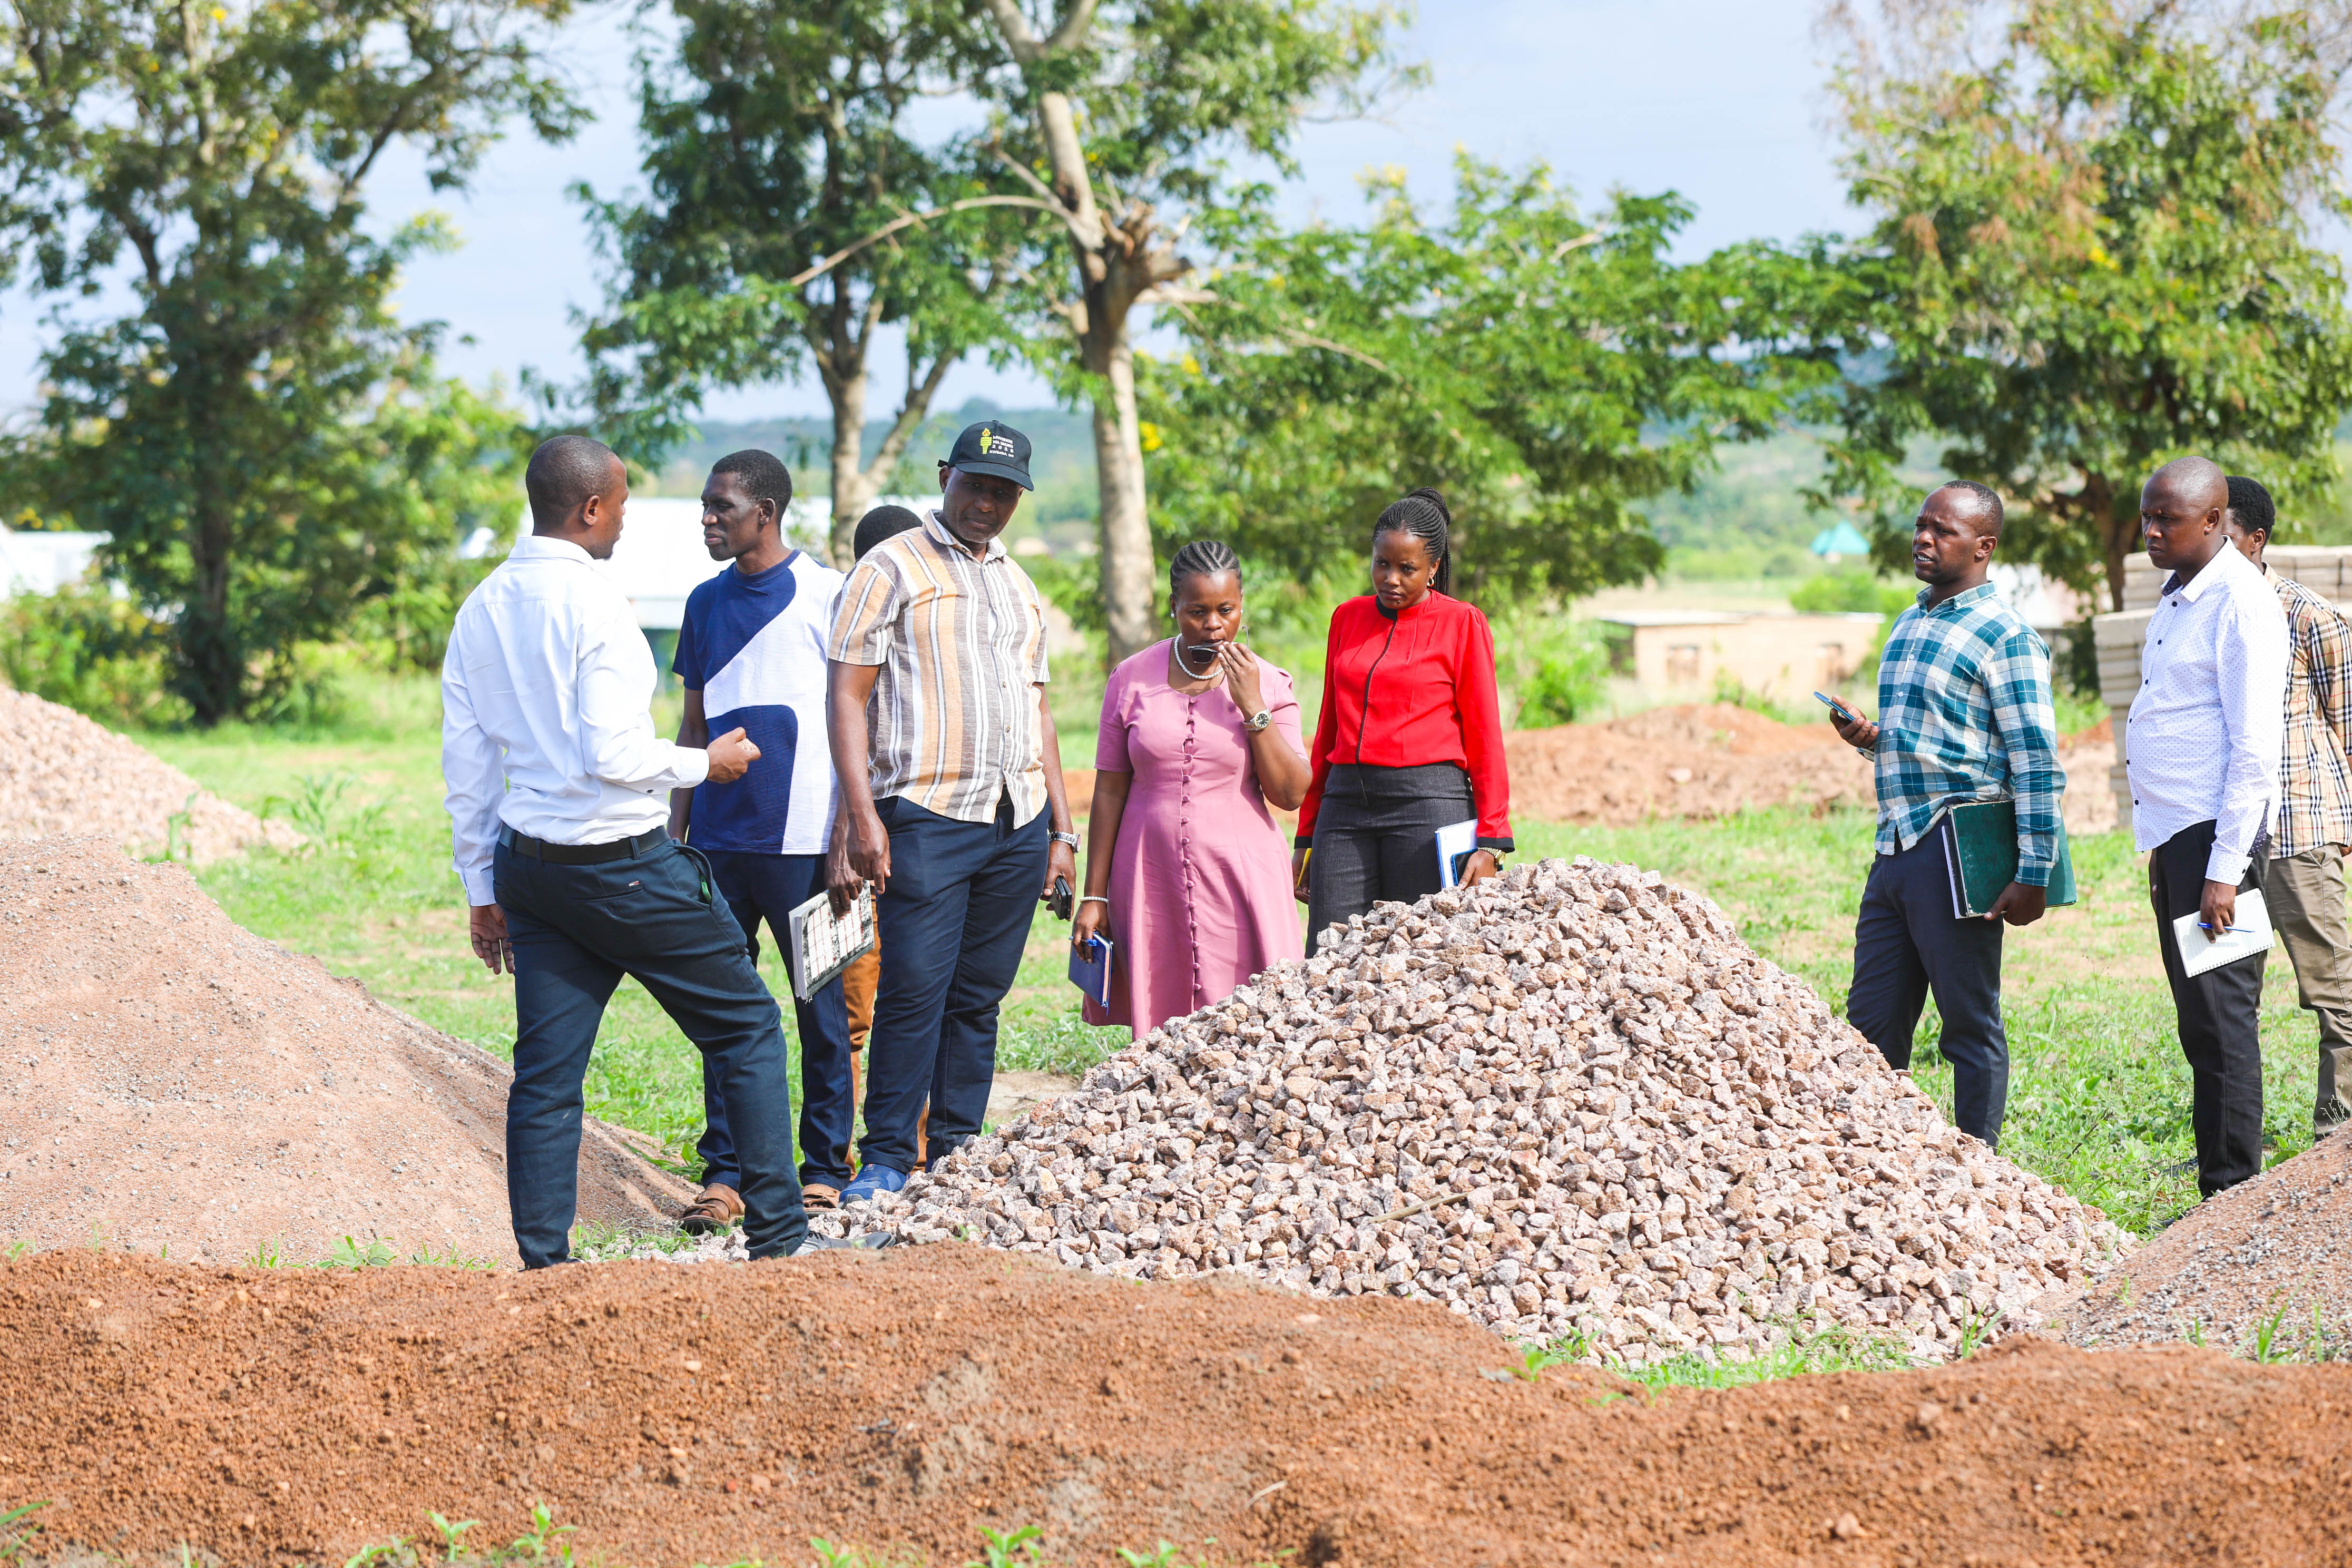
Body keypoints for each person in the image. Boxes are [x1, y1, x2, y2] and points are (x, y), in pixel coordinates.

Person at [442, 435, 836, 1265]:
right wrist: (706, 763)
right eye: (620, 504)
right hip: (619, 868)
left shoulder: (482, 605)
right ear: (591, 508)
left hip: (529, 869)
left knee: (547, 1075)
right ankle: (780, 1240)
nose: (625, 520)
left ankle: (544, 1265)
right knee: (748, 1026)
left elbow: (467, 762)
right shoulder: (597, 606)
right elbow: (614, 756)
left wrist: (481, 889)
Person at [825, 421, 1079, 1203]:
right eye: (975, 486)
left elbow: (1039, 712)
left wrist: (1061, 831)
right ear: (945, 477)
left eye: (1004, 493)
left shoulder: (1018, 583)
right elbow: (846, 695)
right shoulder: (890, 567)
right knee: (914, 990)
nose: (987, 504)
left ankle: (958, 1151)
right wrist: (861, 816)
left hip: (1016, 819)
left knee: (979, 997)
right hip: (927, 814)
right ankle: (887, 1157)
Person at [1826, 481, 2063, 1150]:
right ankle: (1873, 1161)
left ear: (1984, 547)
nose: (1923, 539)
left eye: (1943, 531)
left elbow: (2036, 762)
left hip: (1959, 847)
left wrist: (2033, 873)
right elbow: (1931, 740)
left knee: (1968, 1025)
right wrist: (1871, 739)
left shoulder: (2006, 637)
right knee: (1869, 1026)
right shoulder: (1909, 624)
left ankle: (1978, 1171)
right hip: (1896, 845)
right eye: (1921, 526)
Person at [665, 449, 854, 1224]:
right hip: (718, 845)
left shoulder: (829, 595)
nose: (708, 520)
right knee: (725, 1013)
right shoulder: (704, 603)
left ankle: (825, 1167)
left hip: (808, 845)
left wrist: (846, 834)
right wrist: (676, 834)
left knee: (821, 1010)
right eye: (706, 507)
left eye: (722, 508)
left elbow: (858, 721)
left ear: (765, 514)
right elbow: (693, 724)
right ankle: (726, 1173)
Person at [2130, 455, 2290, 1200]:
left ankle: (2232, 1195)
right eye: (2146, 517)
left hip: (2217, 846)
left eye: (2167, 519)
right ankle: (2218, 1192)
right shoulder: (2179, 597)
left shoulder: (2240, 602)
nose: (2151, 531)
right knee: (2200, 1023)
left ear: (2216, 521)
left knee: (2223, 1023)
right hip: (2181, 839)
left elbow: (2255, 749)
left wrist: (2223, 872)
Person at [1072, 541, 1311, 1036]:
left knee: (1252, 1028)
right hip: (1149, 878)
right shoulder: (1130, 679)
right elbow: (1109, 792)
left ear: (1242, 607)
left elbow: (1290, 793)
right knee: (1161, 1030)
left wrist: (1253, 707)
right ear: (1174, 607)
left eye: (1226, 610)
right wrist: (1095, 895)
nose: (1213, 625)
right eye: (1197, 612)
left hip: (1242, 881)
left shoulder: (1269, 683)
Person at [1292, 487, 1513, 951]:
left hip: (1428, 806)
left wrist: (1492, 840)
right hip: (1344, 808)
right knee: (1331, 954)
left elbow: (1485, 737)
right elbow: (1328, 729)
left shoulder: (1462, 623)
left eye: (1407, 568)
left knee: (1421, 955)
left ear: (1433, 568)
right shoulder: (1346, 618)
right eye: (1382, 564)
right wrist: (1306, 834)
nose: (1390, 579)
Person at [2223, 475, 2352, 1134]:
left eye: (2222, 535)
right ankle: (2233, 1146)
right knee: (2225, 997)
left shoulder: (2309, 617)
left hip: (2297, 831)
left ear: (2256, 540)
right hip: (2223, 846)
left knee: (2334, 992)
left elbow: (2349, 728)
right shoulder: (2195, 612)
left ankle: (2337, 1140)